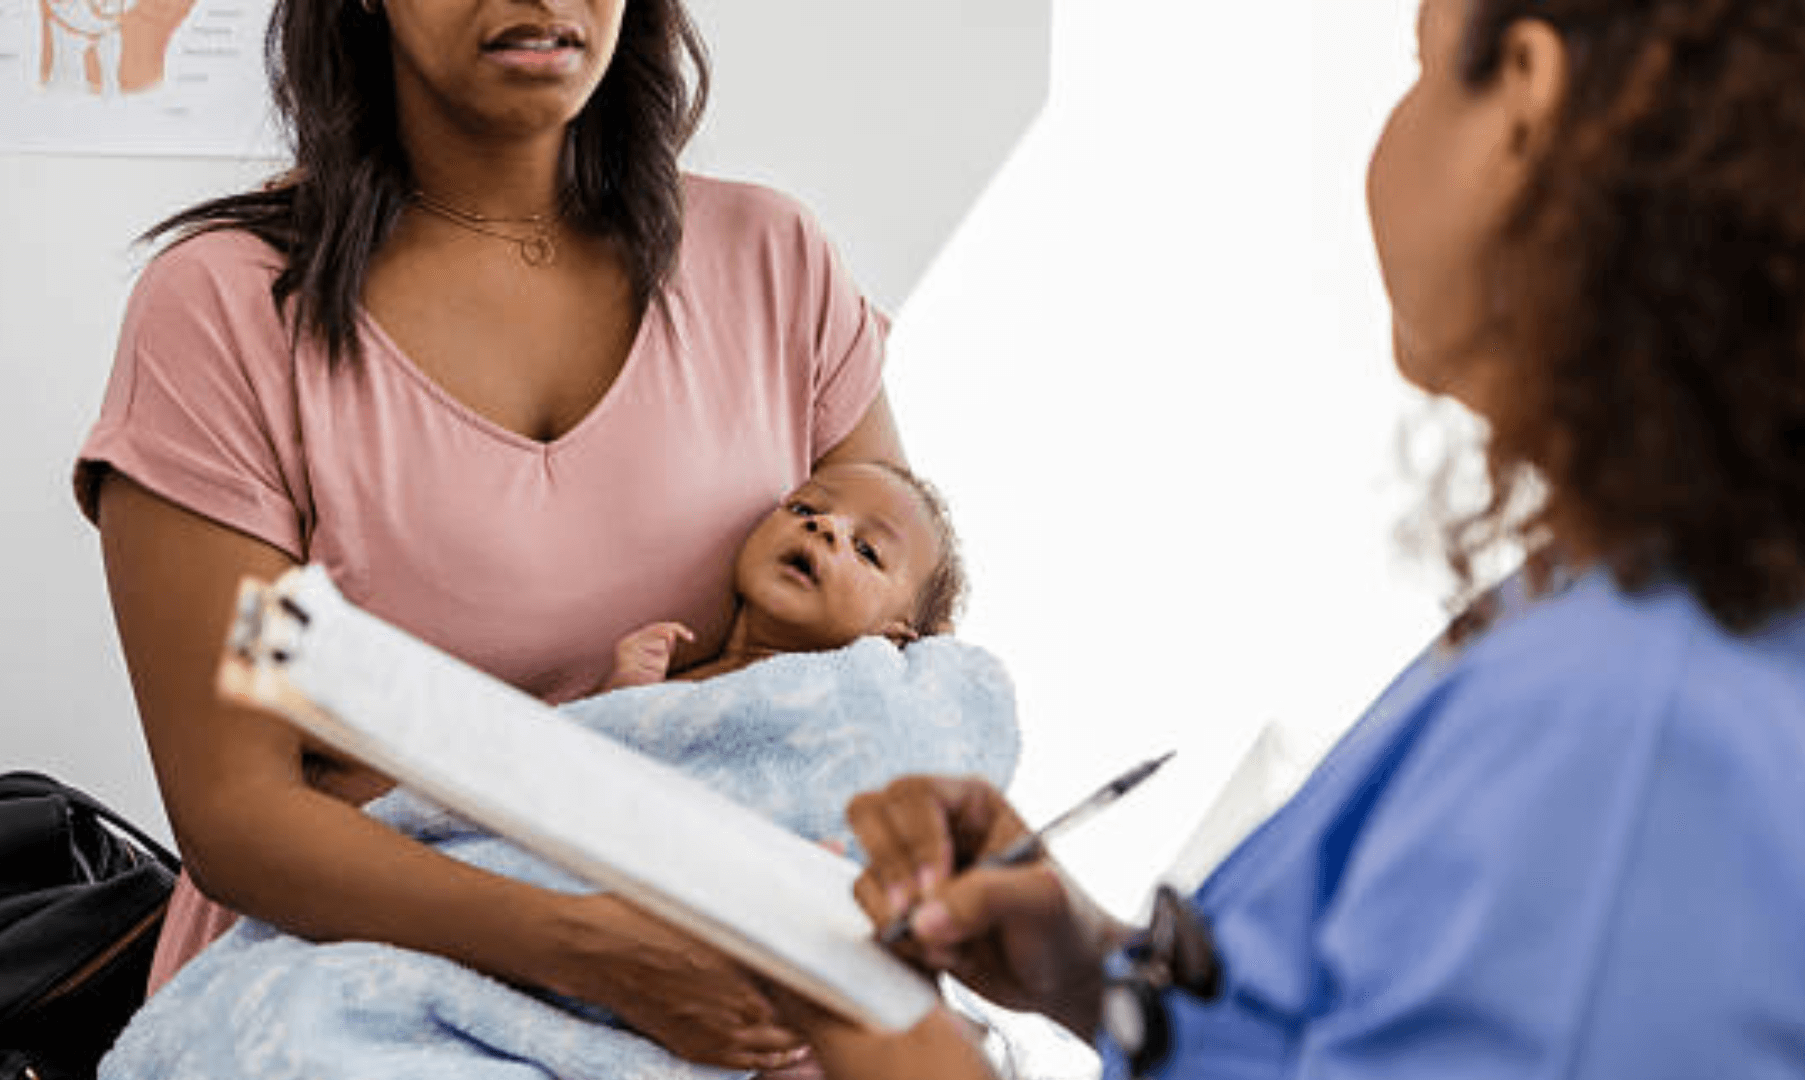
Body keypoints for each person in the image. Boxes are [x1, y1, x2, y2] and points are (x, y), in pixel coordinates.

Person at [773, 1, 1805, 1077]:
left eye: (1421, 65)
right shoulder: (1609, 615)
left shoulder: (1636, 732)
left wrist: (870, 1024)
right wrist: (1093, 971)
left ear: (1523, 108)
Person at [73, 0, 907, 1071]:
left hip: (730, 965)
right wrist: (597, 952)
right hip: (330, 995)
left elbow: (895, 654)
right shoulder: (224, 309)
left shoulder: (774, 264)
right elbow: (241, 814)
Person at [96, 460, 1017, 1080]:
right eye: (808, 509)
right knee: (304, 1013)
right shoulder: (665, 675)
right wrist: (617, 701)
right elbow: (562, 774)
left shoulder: (851, 711)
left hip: (701, 981)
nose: (822, 534)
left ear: (901, 638)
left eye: (864, 550)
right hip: (528, 920)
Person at [597, 460, 967, 693]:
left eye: (866, 550)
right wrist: (622, 693)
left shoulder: (835, 706)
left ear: (890, 637)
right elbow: (596, 748)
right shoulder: (684, 675)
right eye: (803, 507)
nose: (824, 525)